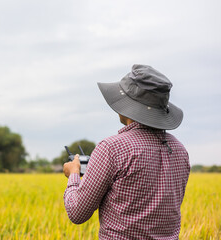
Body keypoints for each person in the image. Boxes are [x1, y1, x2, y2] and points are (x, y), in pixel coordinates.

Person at [63, 64, 190, 239]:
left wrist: (73, 175)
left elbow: (77, 213)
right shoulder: (180, 150)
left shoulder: (111, 148)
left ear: (129, 106)